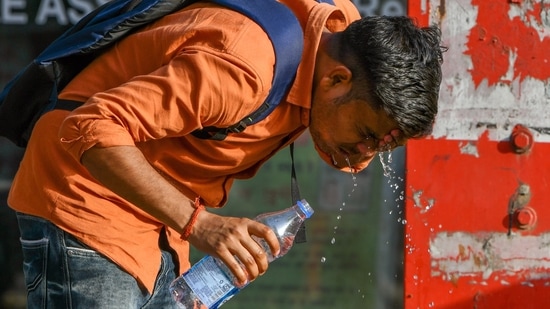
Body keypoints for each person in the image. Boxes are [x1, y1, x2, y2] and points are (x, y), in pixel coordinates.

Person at [7, 0, 444, 307]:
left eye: (384, 146)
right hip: (86, 202)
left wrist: (190, 228)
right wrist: (203, 225)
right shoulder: (242, 69)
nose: (365, 157)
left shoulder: (341, 32)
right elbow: (89, 128)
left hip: (160, 221)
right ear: (336, 81)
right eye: (367, 135)